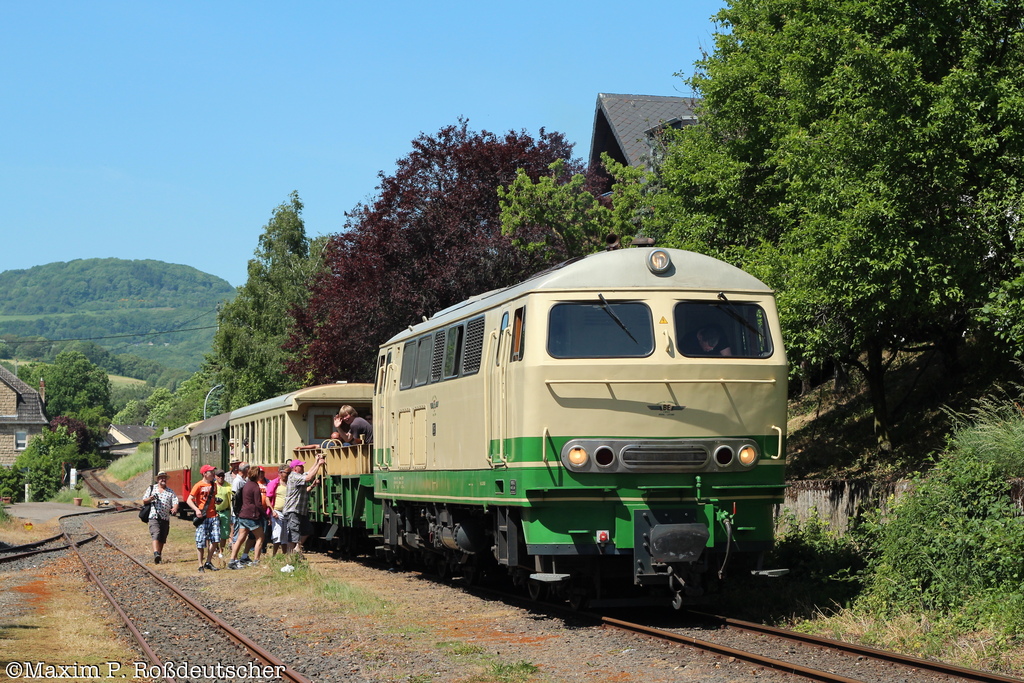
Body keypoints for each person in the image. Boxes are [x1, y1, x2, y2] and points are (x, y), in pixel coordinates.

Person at [282, 454, 326, 555]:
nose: (302, 467)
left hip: (300, 510)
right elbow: (309, 477)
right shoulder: (294, 476)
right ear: (295, 468)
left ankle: (297, 549)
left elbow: (309, 474)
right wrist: (319, 465)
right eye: (300, 466)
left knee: (308, 530)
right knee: (294, 534)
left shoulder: (299, 476)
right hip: (293, 510)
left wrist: (316, 461)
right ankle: (290, 556)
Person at [228, 465, 266, 570]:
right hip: (251, 516)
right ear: (257, 475)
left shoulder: (246, 485)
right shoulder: (255, 487)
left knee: (241, 538)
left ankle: (232, 560)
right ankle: (256, 560)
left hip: (243, 514)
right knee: (260, 537)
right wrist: (265, 516)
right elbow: (258, 504)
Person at [187, 464, 221, 572]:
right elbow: (189, 499)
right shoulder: (198, 485)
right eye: (211, 472)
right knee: (200, 541)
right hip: (203, 516)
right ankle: (200, 565)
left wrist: (216, 501)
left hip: (213, 515)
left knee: (216, 539)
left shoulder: (214, 485)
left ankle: (208, 561)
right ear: (205, 474)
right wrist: (197, 510)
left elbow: (212, 498)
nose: (213, 473)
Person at [142, 471, 179, 565]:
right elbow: (144, 500)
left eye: (164, 478)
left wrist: (174, 508)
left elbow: (175, 501)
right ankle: (155, 553)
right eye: (161, 478)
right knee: (156, 534)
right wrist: (150, 498)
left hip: (165, 517)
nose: (163, 479)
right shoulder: (151, 489)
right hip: (153, 516)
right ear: (158, 480)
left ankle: (159, 555)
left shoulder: (170, 491)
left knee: (162, 537)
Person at [265, 463, 290, 556]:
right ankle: (274, 555)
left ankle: (284, 555)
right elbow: (267, 498)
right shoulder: (274, 483)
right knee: (277, 534)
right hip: (277, 512)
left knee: (285, 536)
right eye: (287, 473)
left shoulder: (289, 483)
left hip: (287, 512)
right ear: (280, 472)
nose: (288, 475)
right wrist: (272, 511)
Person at [214, 469, 233, 560]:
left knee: (224, 533)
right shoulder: (213, 486)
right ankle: (215, 548)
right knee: (214, 531)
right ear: (215, 477)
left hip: (225, 511)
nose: (221, 477)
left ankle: (221, 551)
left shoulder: (228, 486)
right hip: (214, 512)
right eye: (218, 476)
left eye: (222, 476)